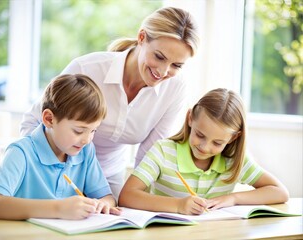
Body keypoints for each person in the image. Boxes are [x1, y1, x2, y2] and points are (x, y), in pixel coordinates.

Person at [19, 6, 199, 199]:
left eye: (176, 65)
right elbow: (32, 122)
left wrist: (138, 198)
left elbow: (150, 155)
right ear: (142, 38)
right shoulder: (87, 69)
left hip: (108, 180)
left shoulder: (175, 89)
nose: (163, 72)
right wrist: (47, 170)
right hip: (57, 171)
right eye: (159, 57)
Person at [118, 88, 289, 215]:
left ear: (233, 138)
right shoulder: (164, 151)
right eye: (200, 135)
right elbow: (127, 196)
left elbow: (279, 192)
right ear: (190, 118)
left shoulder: (234, 160)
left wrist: (233, 198)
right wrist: (178, 205)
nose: (205, 147)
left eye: (217, 142)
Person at [0, 74, 120, 220]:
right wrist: (59, 208)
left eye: (93, 131)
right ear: (49, 119)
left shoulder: (85, 151)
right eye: (78, 131)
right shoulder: (21, 152)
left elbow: (107, 197)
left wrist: (102, 204)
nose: (87, 139)